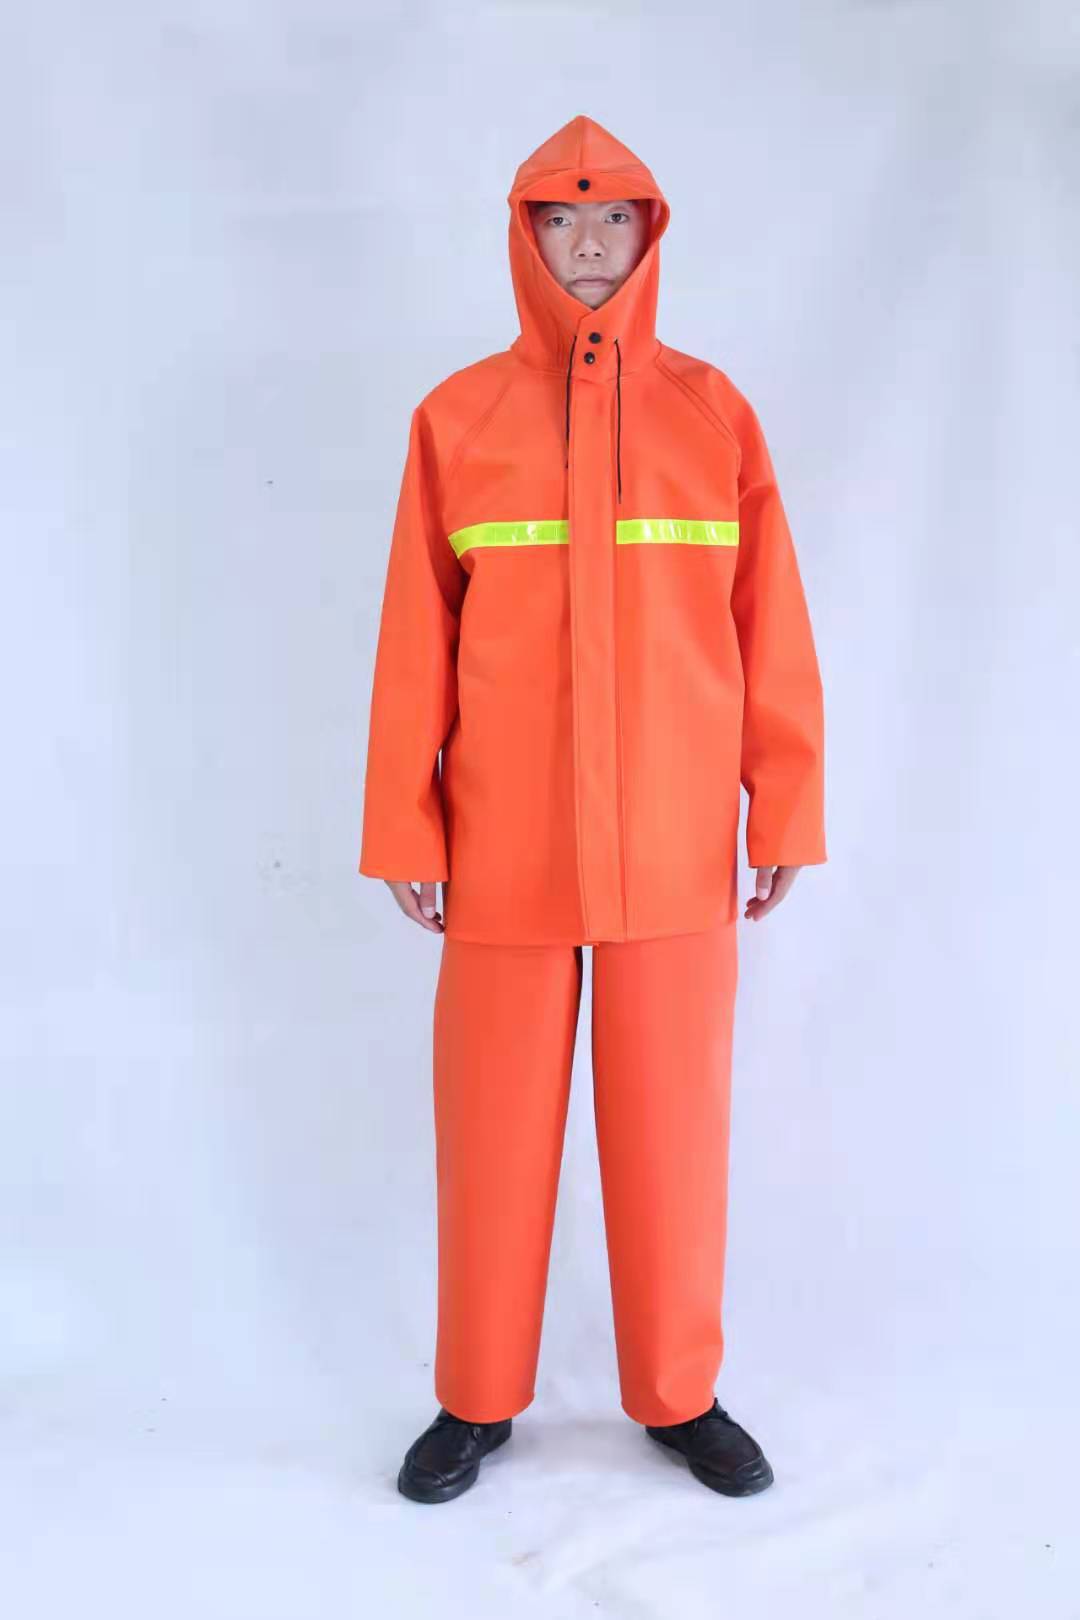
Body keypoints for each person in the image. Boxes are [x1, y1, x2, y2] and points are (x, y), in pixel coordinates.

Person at [357, 114, 827, 1504]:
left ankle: (679, 1395)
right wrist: (406, 824)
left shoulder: (712, 412)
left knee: (674, 1131)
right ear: (524, 238)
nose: (586, 243)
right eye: (559, 220)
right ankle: (474, 1399)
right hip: (504, 838)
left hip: (674, 842)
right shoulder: (457, 419)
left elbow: (770, 623)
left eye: (612, 217)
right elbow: (414, 637)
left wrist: (783, 808)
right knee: (491, 1133)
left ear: (650, 234)